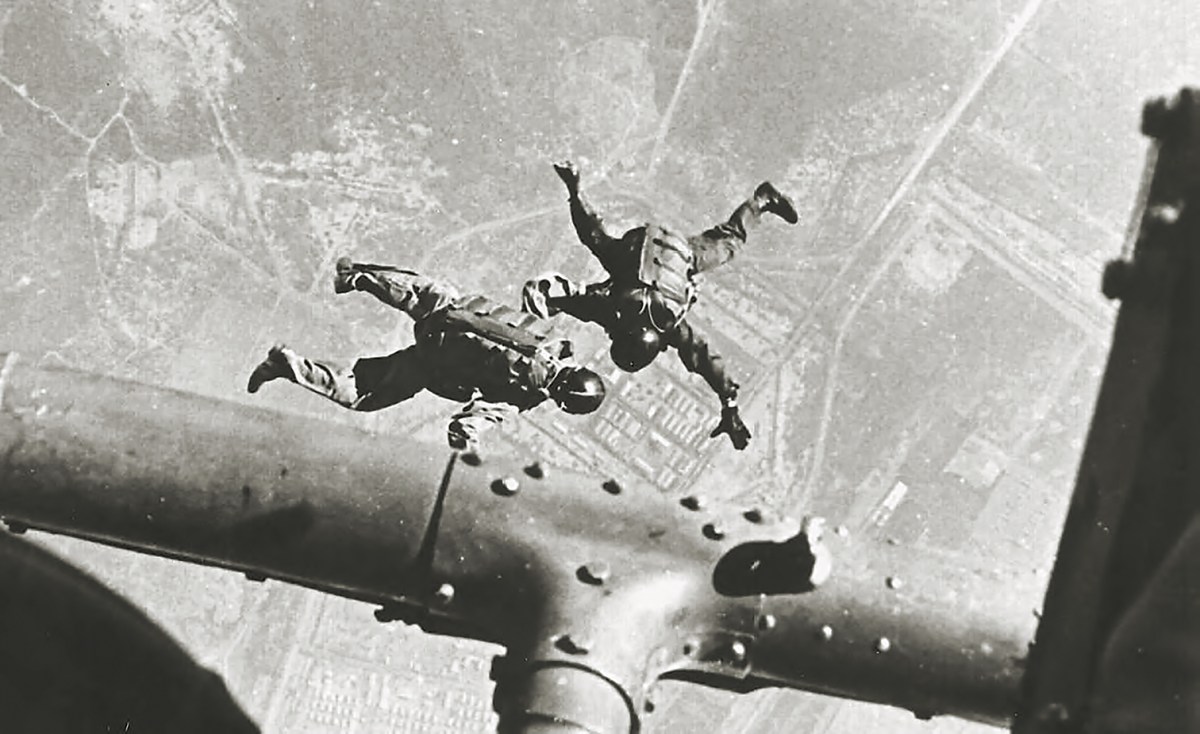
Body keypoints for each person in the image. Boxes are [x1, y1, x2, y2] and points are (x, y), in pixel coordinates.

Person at [522, 160, 799, 450]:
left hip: (680, 253)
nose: (611, 333)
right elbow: (590, 252)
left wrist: (729, 405)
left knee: (729, 243)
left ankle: (763, 200)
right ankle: (762, 199)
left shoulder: (669, 327)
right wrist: (574, 190)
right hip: (649, 250)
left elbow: (709, 362)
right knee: (600, 244)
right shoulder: (614, 311)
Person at [248, 259, 606, 451]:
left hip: (450, 309)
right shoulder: (523, 395)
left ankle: (359, 277)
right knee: (363, 392)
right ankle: (288, 365)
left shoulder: (557, 339)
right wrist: (468, 454)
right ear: (561, 402)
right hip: (432, 359)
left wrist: (567, 291)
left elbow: (535, 295)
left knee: (422, 290)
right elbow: (470, 423)